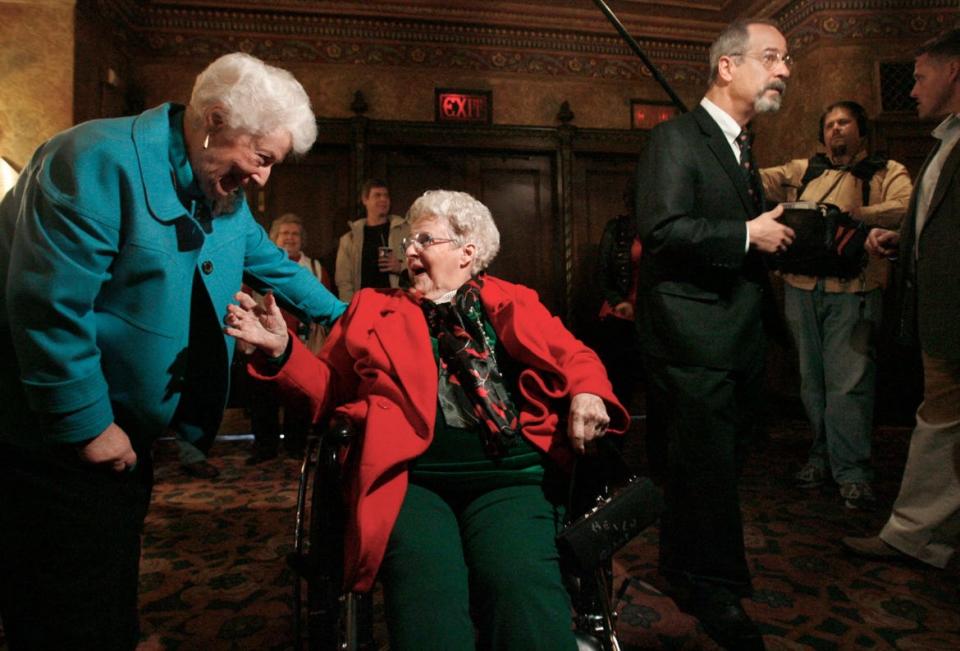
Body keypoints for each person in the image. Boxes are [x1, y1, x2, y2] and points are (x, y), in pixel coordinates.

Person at [0, 52, 346, 649]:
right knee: (67, 611)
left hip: (126, 436)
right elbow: (49, 310)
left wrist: (363, 321)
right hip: (51, 436)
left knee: (105, 591)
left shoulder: (223, 191)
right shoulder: (92, 159)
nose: (264, 178)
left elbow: (274, 267)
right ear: (213, 119)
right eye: (261, 158)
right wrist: (87, 427)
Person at [227, 189, 630, 651]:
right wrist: (282, 352)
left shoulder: (512, 301)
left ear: (468, 251)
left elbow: (575, 355)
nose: (409, 250)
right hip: (412, 480)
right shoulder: (371, 308)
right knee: (427, 596)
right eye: (407, 243)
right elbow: (330, 392)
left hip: (511, 480)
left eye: (424, 239)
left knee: (521, 586)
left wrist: (588, 392)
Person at [634, 18, 794, 650]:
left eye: (787, 60)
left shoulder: (741, 148)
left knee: (713, 468)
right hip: (691, 337)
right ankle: (712, 590)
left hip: (733, 337)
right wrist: (746, 234)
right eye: (772, 57)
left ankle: (685, 569)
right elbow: (664, 230)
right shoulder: (676, 139)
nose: (785, 70)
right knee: (704, 473)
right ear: (727, 67)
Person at [842, 29, 960, 567]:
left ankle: (913, 535)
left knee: (939, 425)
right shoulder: (943, 141)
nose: (911, 90)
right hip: (939, 317)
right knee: (940, 423)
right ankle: (923, 538)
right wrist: (903, 243)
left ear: (953, 70)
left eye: (919, 77)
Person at [761, 102, 912, 508]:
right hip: (801, 287)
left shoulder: (886, 171)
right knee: (812, 382)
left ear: (860, 130)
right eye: (829, 125)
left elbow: (906, 206)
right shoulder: (803, 170)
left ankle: (852, 470)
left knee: (849, 383)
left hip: (855, 290)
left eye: (844, 122)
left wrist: (857, 214)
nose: (836, 130)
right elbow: (758, 181)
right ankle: (821, 456)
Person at [247, 212, 332, 464]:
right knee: (263, 396)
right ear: (274, 238)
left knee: (297, 396)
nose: (290, 238)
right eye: (285, 233)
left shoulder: (315, 268)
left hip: (302, 345)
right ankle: (265, 446)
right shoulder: (257, 268)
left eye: (295, 234)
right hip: (263, 341)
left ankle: (295, 446)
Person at [335, 178, 409, 302]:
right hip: (364, 305)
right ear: (365, 200)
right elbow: (344, 282)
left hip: (397, 304)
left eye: (386, 196)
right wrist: (349, 310)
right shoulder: (349, 239)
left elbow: (420, 265)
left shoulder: (405, 232)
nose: (383, 200)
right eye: (377, 195)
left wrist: (400, 267)